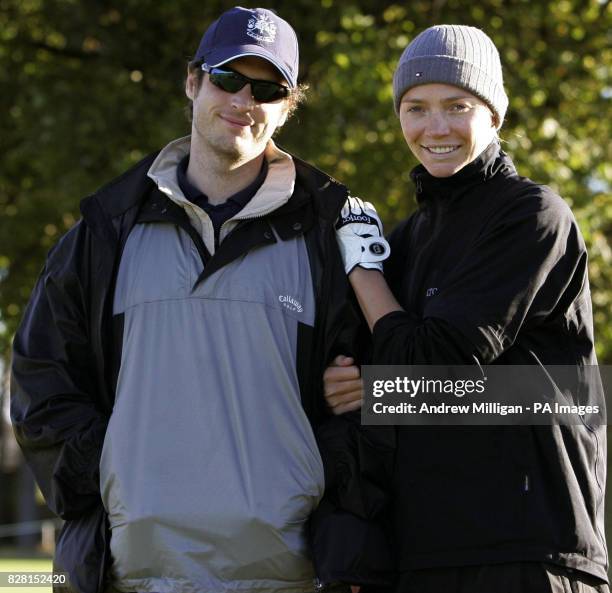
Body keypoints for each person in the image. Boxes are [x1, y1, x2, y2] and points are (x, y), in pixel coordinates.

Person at [10, 7, 391, 593]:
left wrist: (334, 483)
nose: (243, 99)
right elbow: (41, 378)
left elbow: (386, 395)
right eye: (227, 78)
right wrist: (112, 470)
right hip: (131, 576)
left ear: (288, 109)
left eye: (267, 89)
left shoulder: (333, 236)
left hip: (291, 578)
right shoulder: (106, 231)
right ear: (193, 82)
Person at [328, 24, 608, 593]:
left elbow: (437, 366)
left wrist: (360, 268)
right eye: (416, 108)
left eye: (457, 106)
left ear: (495, 115)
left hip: (530, 550)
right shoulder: (405, 241)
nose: (436, 128)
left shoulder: (531, 216)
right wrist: (345, 384)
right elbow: (373, 387)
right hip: (421, 552)